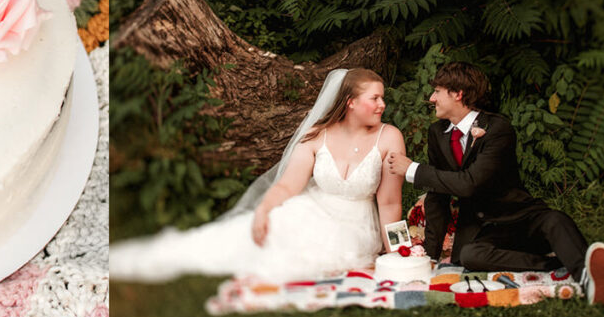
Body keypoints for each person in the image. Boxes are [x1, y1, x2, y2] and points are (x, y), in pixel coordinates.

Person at [110, 68, 407, 282]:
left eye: (382, 98)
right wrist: (263, 210)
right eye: (375, 98)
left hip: (354, 227)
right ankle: (145, 257)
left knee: (301, 259)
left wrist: (400, 250)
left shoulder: (389, 137)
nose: (382, 105)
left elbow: (390, 203)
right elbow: (289, 185)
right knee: (244, 238)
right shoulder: (318, 137)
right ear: (350, 102)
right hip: (311, 208)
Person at [386, 61, 604, 305]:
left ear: (457, 94)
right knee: (469, 255)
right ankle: (555, 264)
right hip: (482, 229)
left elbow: (470, 184)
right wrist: (430, 255)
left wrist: (413, 169)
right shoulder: (437, 133)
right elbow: (438, 195)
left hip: (521, 217)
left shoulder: (498, 128)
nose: (432, 98)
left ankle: (589, 277)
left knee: (555, 221)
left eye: (437, 91)